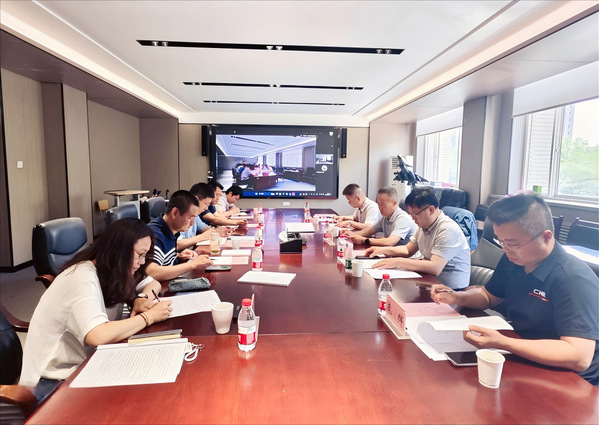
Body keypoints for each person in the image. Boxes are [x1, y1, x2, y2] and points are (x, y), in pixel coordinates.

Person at [431, 193, 598, 386]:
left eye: (512, 244)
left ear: (546, 237)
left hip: (571, 379)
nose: (506, 249)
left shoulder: (573, 278)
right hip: (525, 355)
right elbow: (487, 296)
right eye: (501, 242)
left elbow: (579, 356)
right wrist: (456, 297)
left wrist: (502, 342)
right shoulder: (514, 260)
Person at [20, 218, 173, 399]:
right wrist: (149, 317)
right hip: (52, 381)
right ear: (119, 251)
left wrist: (141, 298)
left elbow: (153, 284)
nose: (142, 262)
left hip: (88, 362)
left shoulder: (114, 269)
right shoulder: (81, 277)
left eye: (145, 256)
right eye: (140, 255)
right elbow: (97, 336)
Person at [365, 186, 471, 289]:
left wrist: (398, 261)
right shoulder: (424, 225)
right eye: (411, 215)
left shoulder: (447, 229)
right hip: (428, 282)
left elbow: (435, 267)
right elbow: (408, 249)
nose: (413, 219)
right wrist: (382, 250)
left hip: (451, 291)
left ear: (431, 210)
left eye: (415, 215)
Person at [146, 190, 213, 281]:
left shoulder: (172, 230)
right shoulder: (155, 234)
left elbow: (163, 259)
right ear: (175, 213)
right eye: (190, 217)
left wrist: (177, 256)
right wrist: (192, 265)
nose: (192, 223)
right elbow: (151, 273)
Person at [342, 186, 416, 247]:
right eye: (378, 204)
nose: (380, 207)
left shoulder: (402, 219)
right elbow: (370, 230)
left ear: (394, 203)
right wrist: (353, 235)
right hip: (392, 253)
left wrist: (363, 240)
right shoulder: (385, 217)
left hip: (407, 258)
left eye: (383, 204)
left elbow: (390, 242)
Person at [177, 182, 231, 250]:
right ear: (196, 200)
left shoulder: (196, 216)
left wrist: (218, 232)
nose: (206, 208)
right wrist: (202, 237)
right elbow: (176, 244)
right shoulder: (180, 214)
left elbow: (205, 229)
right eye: (206, 204)